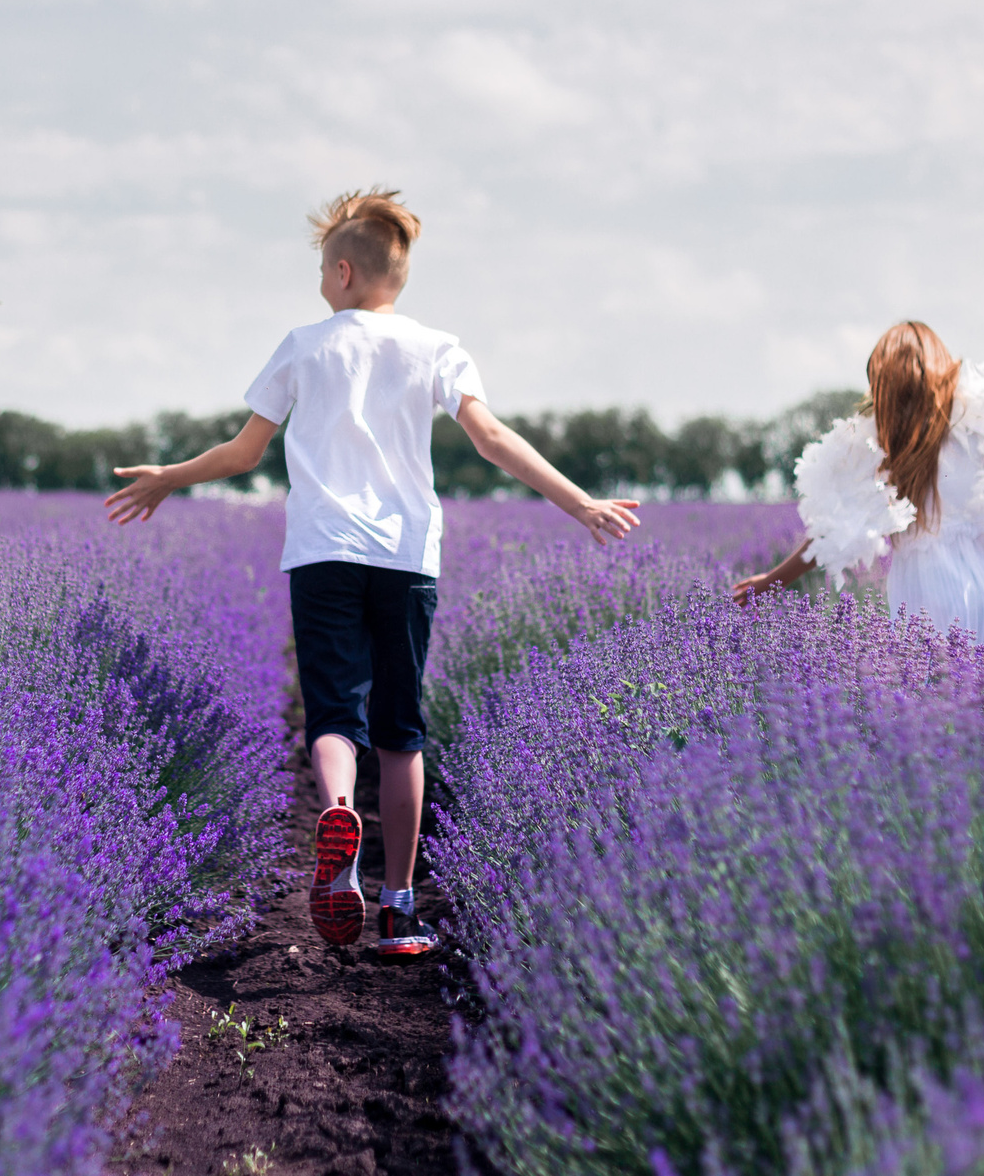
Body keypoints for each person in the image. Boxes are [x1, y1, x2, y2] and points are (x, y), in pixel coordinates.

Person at [105, 189, 642, 958]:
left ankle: (338, 818)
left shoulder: (304, 344)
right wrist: (578, 501)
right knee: (401, 729)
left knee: (333, 715)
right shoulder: (438, 347)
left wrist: (170, 475)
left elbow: (243, 454)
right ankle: (398, 906)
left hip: (323, 551)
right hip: (405, 558)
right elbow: (490, 437)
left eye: (324, 270)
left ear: (344, 271)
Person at [731, 320, 984, 664]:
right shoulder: (980, 423)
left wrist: (773, 580)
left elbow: (835, 533)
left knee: (945, 728)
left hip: (932, 598)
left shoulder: (881, 446)